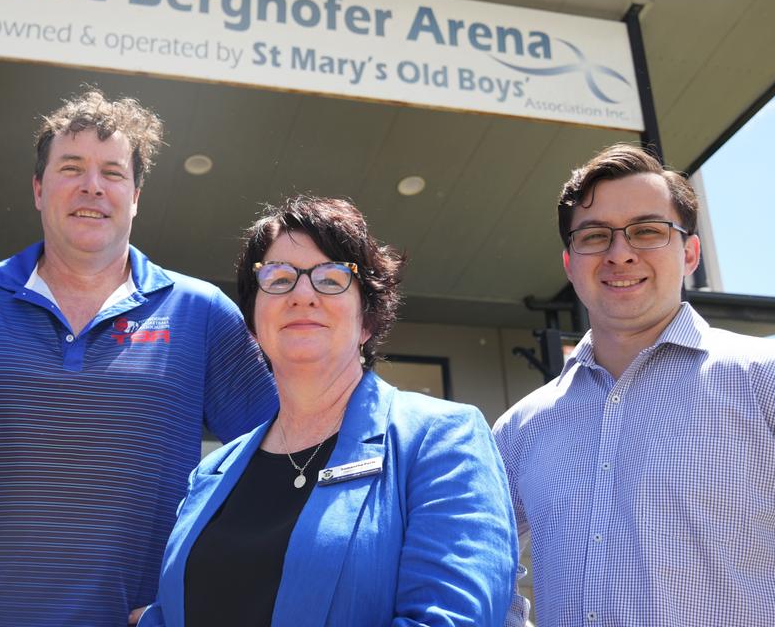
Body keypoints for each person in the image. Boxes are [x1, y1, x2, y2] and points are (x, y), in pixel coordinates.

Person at [0, 89, 277, 626]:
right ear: (38, 188)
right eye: (71, 167)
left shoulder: (200, 313)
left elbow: (277, 462)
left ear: (136, 196)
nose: (92, 186)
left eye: (113, 172)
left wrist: (209, 591)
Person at [493, 144, 775, 626]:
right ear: (569, 263)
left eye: (647, 231)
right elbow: (480, 569)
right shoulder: (521, 430)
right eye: (594, 236)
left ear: (689, 252)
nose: (619, 253)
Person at [138, 195, 516, 627]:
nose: (302, 294)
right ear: (254, 322)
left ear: (367, 320)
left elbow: (449, 620)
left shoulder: (442, 440)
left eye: (331, 278)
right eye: (278, 279)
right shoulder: (211, 473)